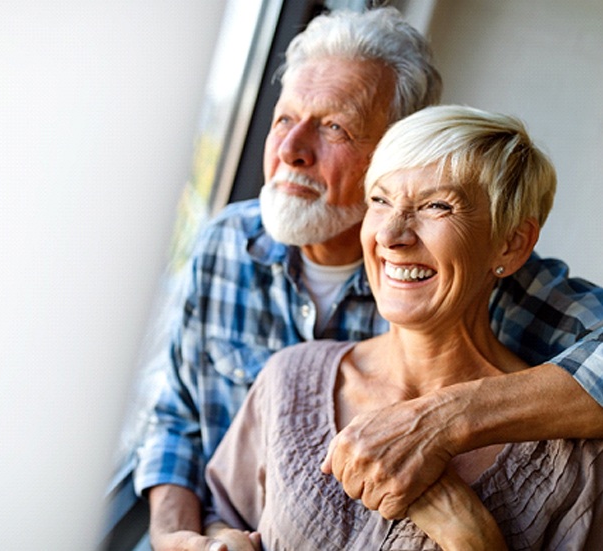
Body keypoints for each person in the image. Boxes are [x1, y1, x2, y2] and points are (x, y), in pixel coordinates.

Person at [134, 8, 603, 550]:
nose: (291, 150)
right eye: (285, 119)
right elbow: (177, 419)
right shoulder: (224, 246)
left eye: (334, 126)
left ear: (398, 144)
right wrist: (180, 537)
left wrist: (442, 422)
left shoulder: (503, 285)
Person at [204, 105, 603, 550]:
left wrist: (472, 538)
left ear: (511, 243)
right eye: (380, 199)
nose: (392, 235)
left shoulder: (579, 462)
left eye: (437, 206)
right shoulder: (289, 377)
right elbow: (221, 515)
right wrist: (224, 541)